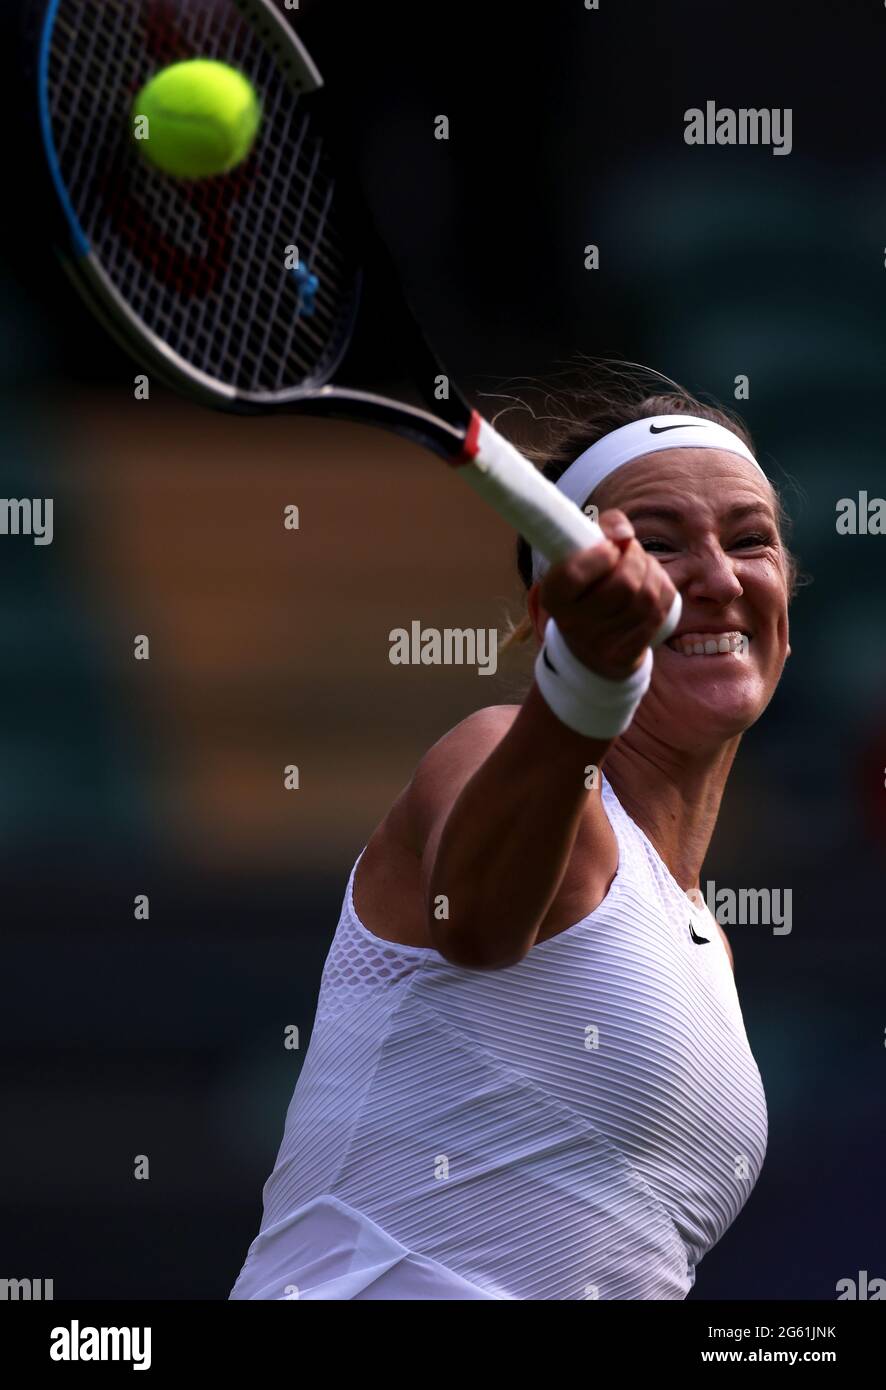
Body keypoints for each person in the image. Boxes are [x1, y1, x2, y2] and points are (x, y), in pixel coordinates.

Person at [230, 370, 799, 1301]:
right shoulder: (489, 747)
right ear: (552, 621)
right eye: (657, 545)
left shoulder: (703, 942)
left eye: (750, 542)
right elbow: (480, 923)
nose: (717, 575)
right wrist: (592, 684)